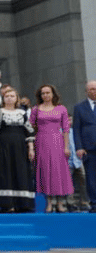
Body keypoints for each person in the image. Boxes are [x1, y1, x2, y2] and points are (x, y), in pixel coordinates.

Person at [0, 85, 36, 213]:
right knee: (5, 172)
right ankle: (8, 204)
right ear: (3, 98)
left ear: (16, 98)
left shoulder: (22, 113)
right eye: (7, 96)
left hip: (20, 147)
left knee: (20, 172)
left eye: (12, 96)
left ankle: (22, 203)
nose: (9, 98)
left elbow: (29, 132)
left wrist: (31, 149)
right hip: (3, 146)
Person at [30, 84, 72, 213]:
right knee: (45, 171)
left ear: (53, 94)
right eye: (43, 93)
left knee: (59, 171)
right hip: (41, 141)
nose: (45, 95)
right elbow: (30, 127)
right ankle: (49, 202)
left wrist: (66, 147)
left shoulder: (61, 109)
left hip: (58, 142)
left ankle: (60, 202)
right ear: (40, 95)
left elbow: (66, 129)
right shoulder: (36, 109)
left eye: (48, 93)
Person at [72, 80, 96, 212]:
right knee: (91, 177)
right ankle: (94, 203)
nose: (94, 91)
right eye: (91, 89)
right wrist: (79, 147)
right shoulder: (79, 107)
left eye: (95, 89)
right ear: (86, 91)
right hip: (88, 148)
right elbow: (76, 128)